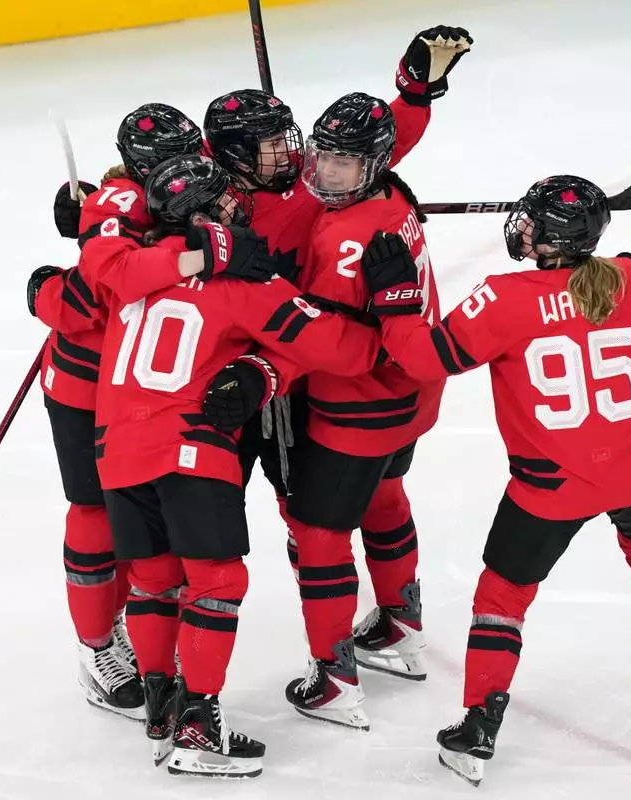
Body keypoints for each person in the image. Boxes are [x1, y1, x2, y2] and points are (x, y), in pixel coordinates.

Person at [357, 175, 631, 786]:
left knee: (502, 596)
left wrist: (395, 299)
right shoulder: (628, 280)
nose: (523, 229)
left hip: (553, 487)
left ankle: (480, 723)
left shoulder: (507, 298)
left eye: (533, 223)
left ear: (548, 238)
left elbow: (420, 357)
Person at [89, 154, 386, 777]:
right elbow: (343, 350)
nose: (236, 206)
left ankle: (163, 713)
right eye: (223, 201)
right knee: (217, 585)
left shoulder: (128, 273)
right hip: (190, 448)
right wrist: (382, 310)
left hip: (116, 452)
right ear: (201, 215)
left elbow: (98, 268)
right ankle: (200, 729)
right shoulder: (246, 286)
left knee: (151, 581)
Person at [202, 92, 446, 732]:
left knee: (317, 536)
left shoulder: (343, 237)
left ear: (372, 163)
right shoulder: (393, 196)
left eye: (343, 162)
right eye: (323, 155)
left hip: (358, 408)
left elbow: (328, 342)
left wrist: (264, 369)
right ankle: (401, 625)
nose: (324, 172)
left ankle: (335, 680)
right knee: (385, 497)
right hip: (411, 400)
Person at [199, 23, 473, 561]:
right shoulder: (208, 199)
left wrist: (414, 90)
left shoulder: (311, 178)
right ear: (234, 157)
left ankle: (333, 591)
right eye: (273, 146)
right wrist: (95, 214)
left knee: (304, 505)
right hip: (226, 371)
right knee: (202, 517)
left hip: (293, 371)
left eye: (288, 140)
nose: (294, 155)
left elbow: (380, 139)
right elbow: (150, 205)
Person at [27, 103, 204, 720]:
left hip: (152, 391)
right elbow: (88, 302)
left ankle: (152, 635)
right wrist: (52, 288)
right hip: (84, 386)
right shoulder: (117, 207)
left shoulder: (195, 192)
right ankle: (98, 647)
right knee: (97, 516)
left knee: (157, 520)